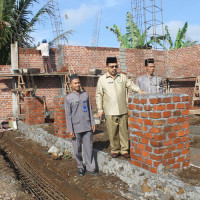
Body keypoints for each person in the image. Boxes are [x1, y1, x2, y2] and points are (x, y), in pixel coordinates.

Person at [96, 57, 146, 158]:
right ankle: (115, 150)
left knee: (123, 131)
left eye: (116, 66)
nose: (114, 68)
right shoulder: (102, 80)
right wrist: (100, 109)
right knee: (113, 132)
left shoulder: (122, 77)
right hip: (110, 111)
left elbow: (131, 85)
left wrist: (139, 91)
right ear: (107, 67)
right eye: (112, 66)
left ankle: (124, 150)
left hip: (122, 110)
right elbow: (99, 95)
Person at [65, 74, 97, 176]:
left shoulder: (85, 95)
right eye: (75, 83)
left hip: (87, 126)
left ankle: (90, 168)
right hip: (76, 128)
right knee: (77, 149)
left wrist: (92, 122)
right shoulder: (68, 98)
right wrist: (70, 129)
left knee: (89, 148)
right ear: (71, 85)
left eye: (78, 82)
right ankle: (80, 167)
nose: (78, 84)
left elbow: (90, 110)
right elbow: (68, 115)